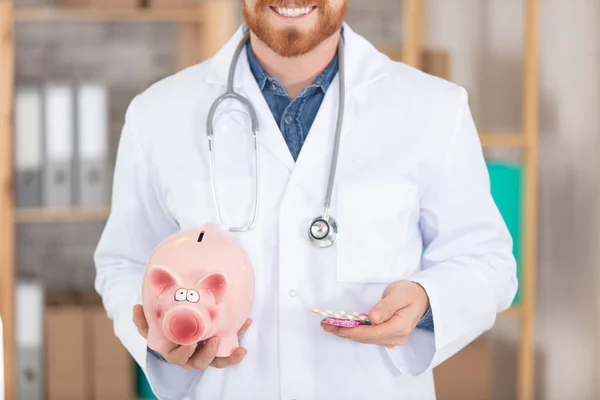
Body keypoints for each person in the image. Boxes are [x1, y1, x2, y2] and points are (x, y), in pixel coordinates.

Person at [93, 0, 518, 399]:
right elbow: (124, 263)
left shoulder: (434, 108)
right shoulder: (156, 115)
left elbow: (486, 262)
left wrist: (426, 302)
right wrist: (163, 338)